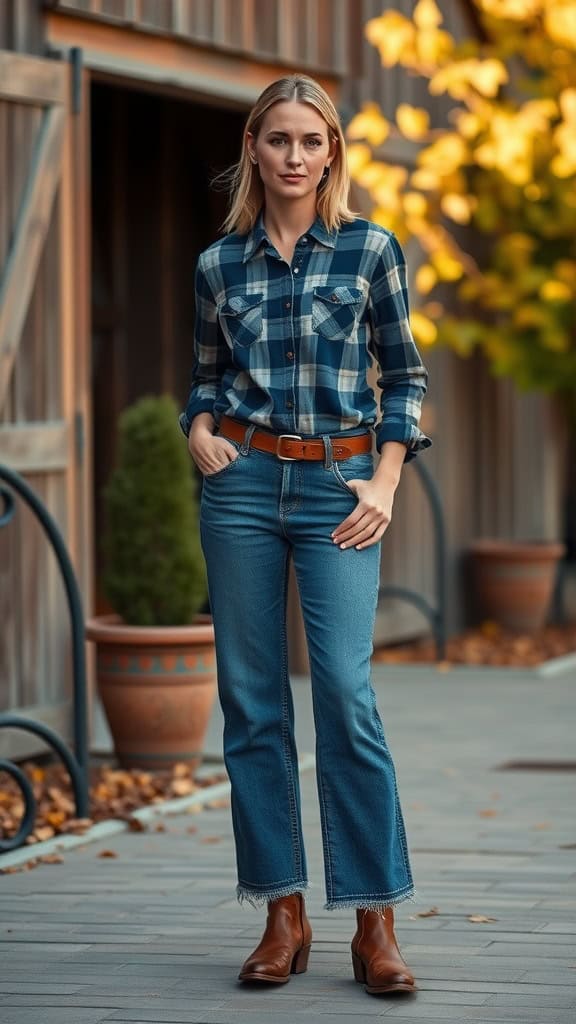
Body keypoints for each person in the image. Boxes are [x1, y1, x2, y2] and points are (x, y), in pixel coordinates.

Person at [180, 74, 431, 997]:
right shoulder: (220, 265)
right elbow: (206, 378)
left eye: (310, 141)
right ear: (255, 147)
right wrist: (200, 431)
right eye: (278, 139)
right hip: (240, 487)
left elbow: (404, 377)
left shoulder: (371, 250)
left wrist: (388, 480)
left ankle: (375, 920)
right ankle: (282, 914)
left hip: (341, 489)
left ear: (331, 153)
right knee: (250, 701)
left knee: (344, 692)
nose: (294, 156)